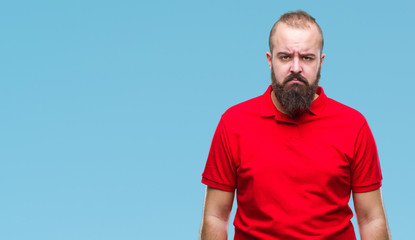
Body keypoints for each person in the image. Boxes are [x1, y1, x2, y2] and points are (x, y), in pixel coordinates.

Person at [199, 10, 391, 240]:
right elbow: (216, 217)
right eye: (285, 57)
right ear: (270, 60)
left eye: (307, 58)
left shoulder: (353, 125)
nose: (296, 68)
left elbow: (371, 219)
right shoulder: (234, 123)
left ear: (321, 61)